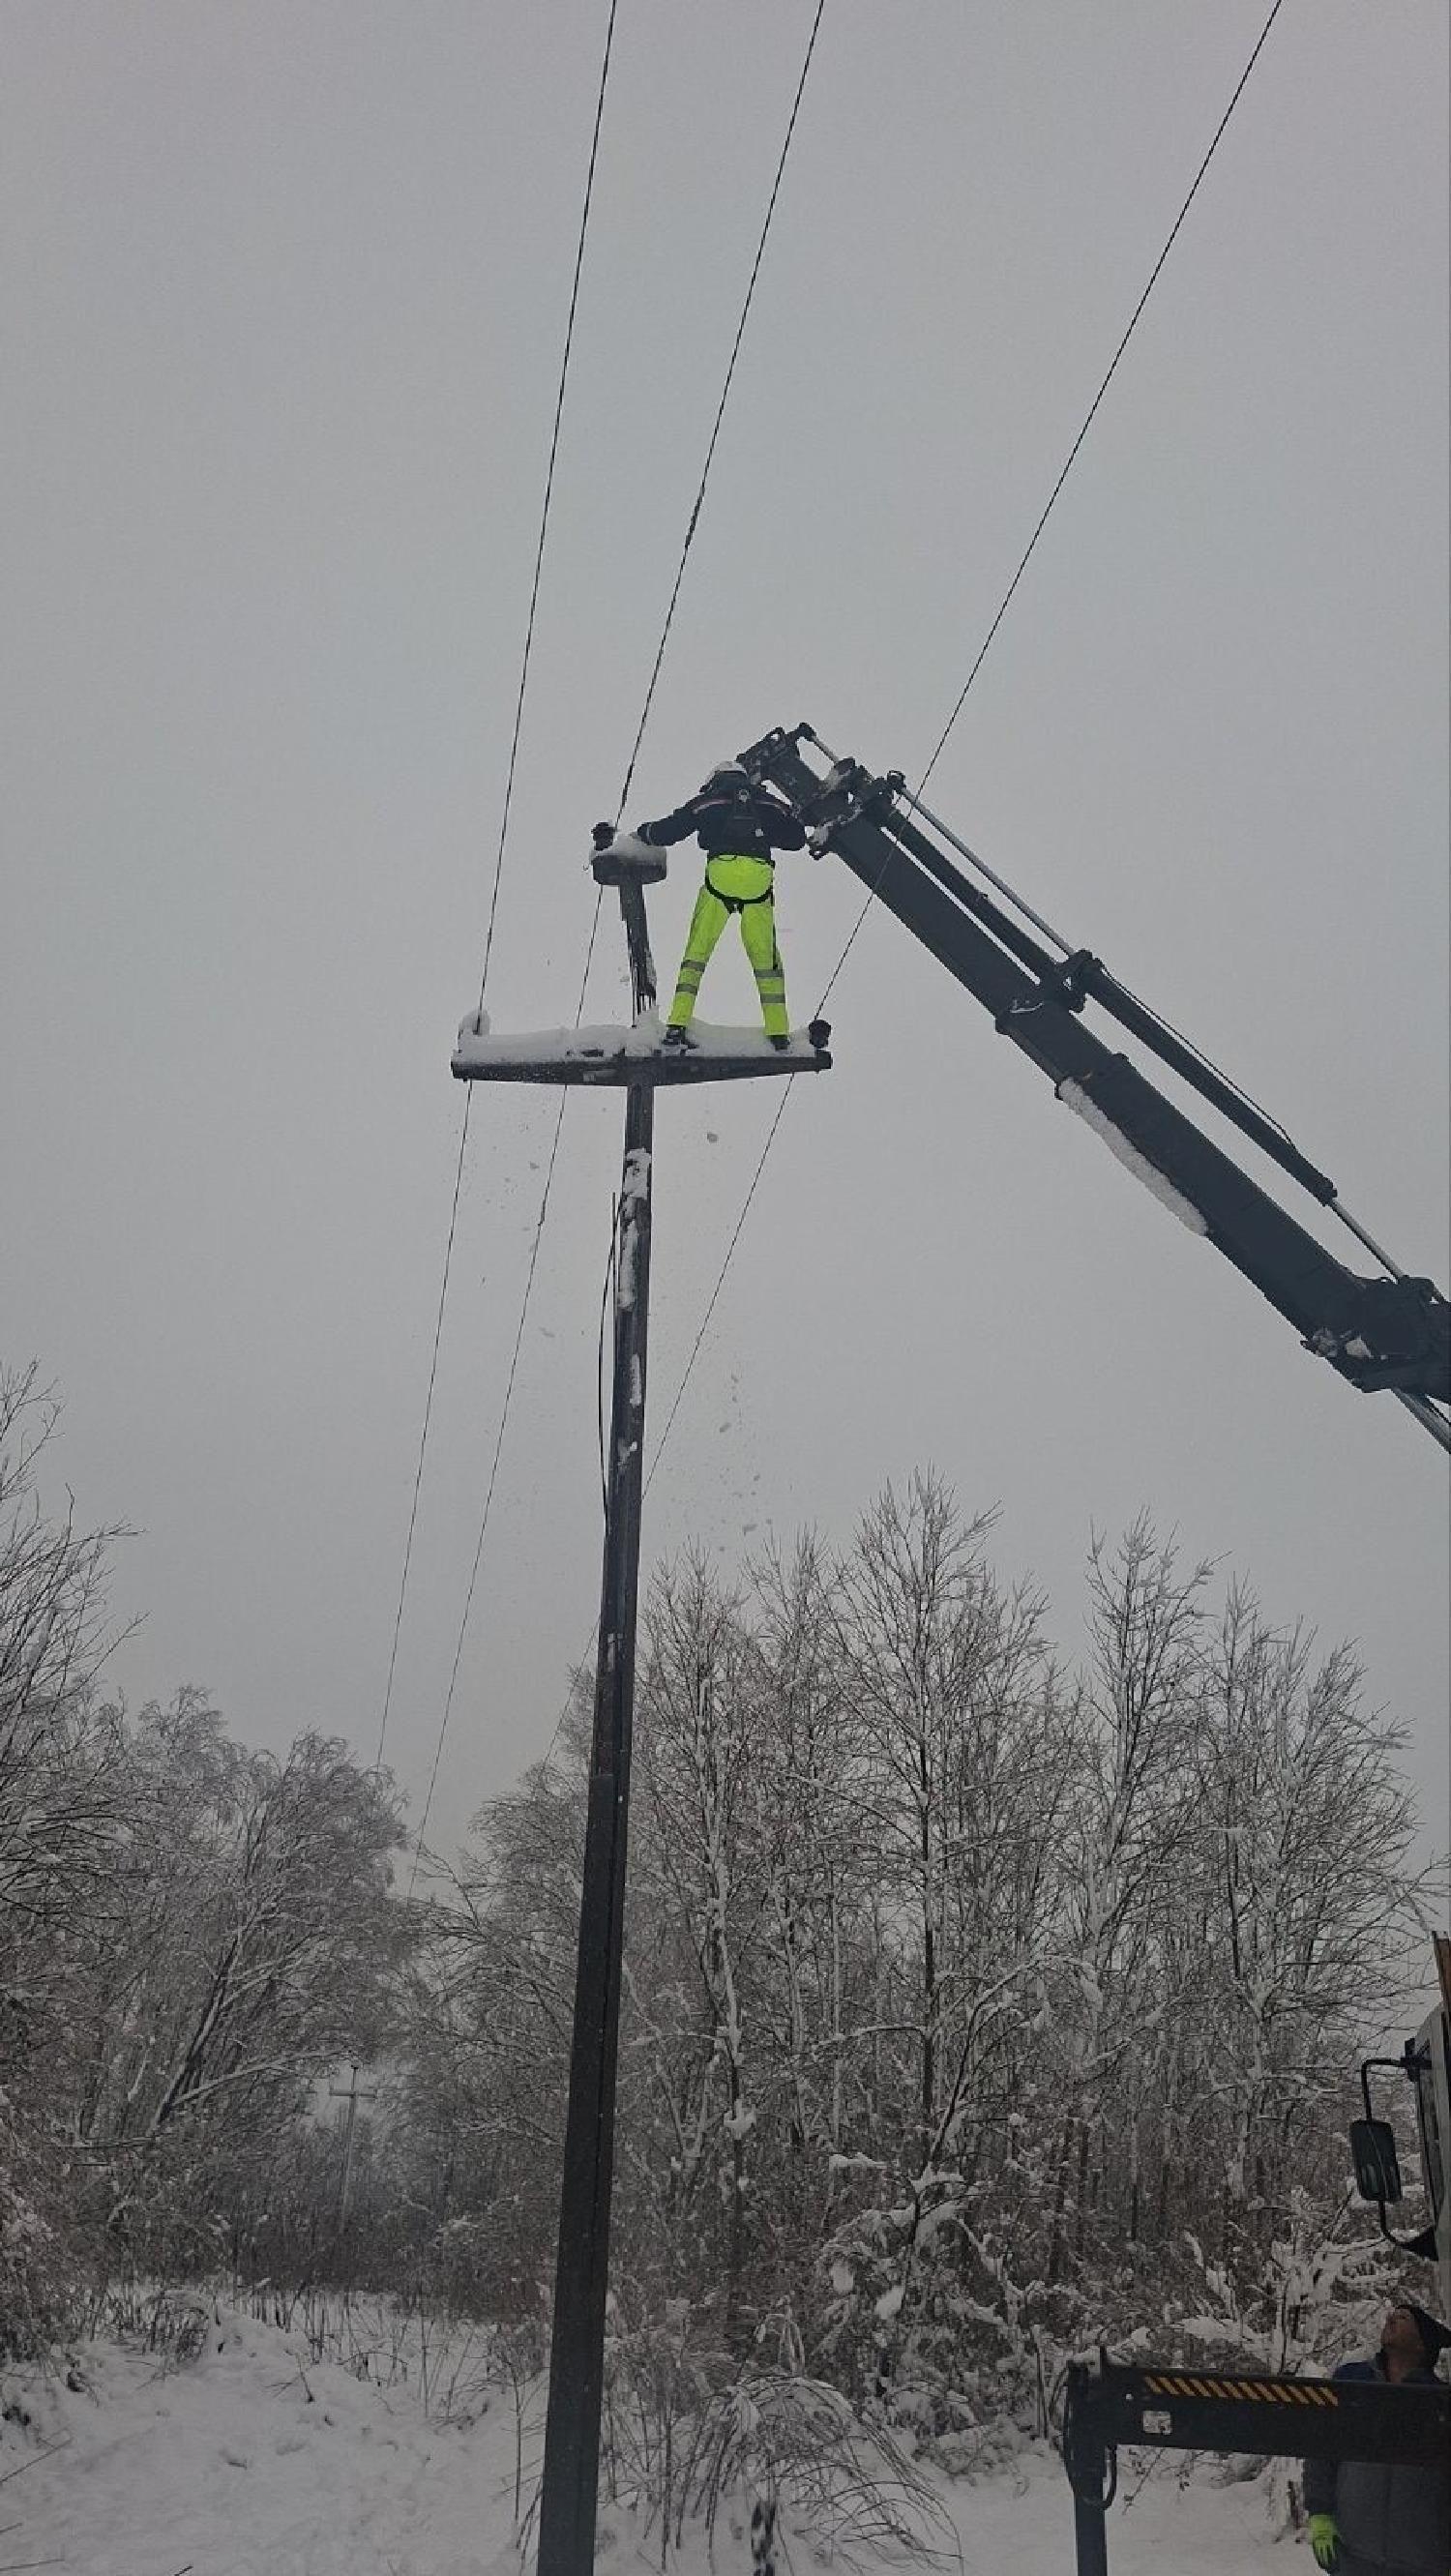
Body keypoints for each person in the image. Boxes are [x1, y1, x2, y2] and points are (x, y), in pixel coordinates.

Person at [607, 760, 806, 1050]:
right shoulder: (768, 801)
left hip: (720, 878)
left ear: (715, 779)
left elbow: (670, 830)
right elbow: (796, 839)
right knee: (766, 959)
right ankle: (778, 1031)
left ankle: (677, 1024)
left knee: (697, 952)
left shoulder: (708, 801)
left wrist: (641, 834)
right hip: (758, 881)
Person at [1303, 2302, 1450, 2574]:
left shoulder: (1439, 2401)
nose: (1391, 2319)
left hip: (1423, 2562)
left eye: (1403, 2318)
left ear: (1422, 2345)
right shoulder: (1351, 2380)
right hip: (1354, 2556)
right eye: (1391, 2315)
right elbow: (1321, 2447)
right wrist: (1320, 2514)